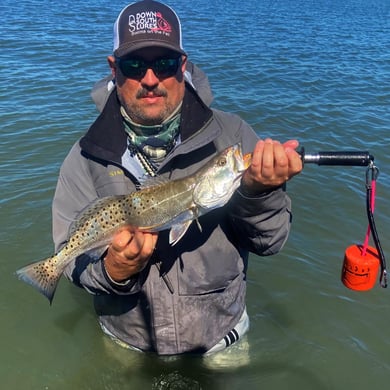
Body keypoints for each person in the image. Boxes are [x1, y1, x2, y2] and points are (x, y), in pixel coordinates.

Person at [53, 0, 302, 356]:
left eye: (165, 64)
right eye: (134, 65)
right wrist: (113, 271)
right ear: (114, 69)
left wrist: (260, 193)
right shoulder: (83, 158)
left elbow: (270, 243)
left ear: (182, 66)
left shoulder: (232, 136)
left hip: (219, 340)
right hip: (127, 344)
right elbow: (72, 264)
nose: (150, 79)